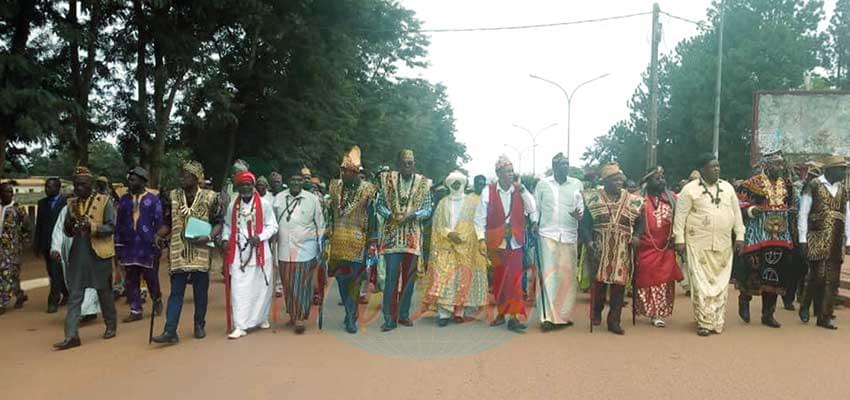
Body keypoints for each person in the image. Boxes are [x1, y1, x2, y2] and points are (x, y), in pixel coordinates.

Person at [673, 154, 745, 337]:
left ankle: (716, 320)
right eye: (713, 166)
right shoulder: (689, 190)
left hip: (723, 244)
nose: (717, 169)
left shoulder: (728, 188)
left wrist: (740, 236)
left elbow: (737, 214)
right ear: (702, 169)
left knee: (721, 284)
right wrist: (679, 239)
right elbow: (680, 217)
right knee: (700, 284)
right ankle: (704, 322)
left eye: (718, 166)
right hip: (697, 244)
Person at [152, 161, 222, 344]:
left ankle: (199, 324)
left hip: (201, 250)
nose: (182, 178)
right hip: (178, 250)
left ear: (197, 178)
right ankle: (170, 330)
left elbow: (218, 222)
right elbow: (168, 222)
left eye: (187, 175)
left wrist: (208, 236)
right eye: (182, 174)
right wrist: (159, 235)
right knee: (176, 292)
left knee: (200, 291)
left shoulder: (211, 197)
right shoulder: (172, 196)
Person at [53, 167, 118, 350]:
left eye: (82, 184)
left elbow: (111, 227)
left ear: (91, 185)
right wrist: (69, 226)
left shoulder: (104, 201)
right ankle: (71, 335)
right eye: (76, 184)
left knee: (104, 292)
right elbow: (67, 231)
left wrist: (93, 227)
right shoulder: (71, 204)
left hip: (99, 253)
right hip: (78, 253)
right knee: (75, 294)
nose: (78, 188)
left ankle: (111, 324)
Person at [474, 155, 537, 333]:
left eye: (512, 171)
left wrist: (523, 188)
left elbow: (532, 208)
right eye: (507, 172)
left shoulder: (519, 190)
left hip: (515, 241)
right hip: (496, 241)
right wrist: (480, 239)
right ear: (499, 174)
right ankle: (502, 314)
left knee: (515, 278)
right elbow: (479, 218)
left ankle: (514, 317)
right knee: (499, 279)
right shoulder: (489, 191)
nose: (511, 174)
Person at [733, 150, 795, 328]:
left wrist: (790, 211)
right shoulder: (751, 184)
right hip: (757, 235)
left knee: (775, 273)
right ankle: (744, 299)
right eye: (776, 164)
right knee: (752, 268)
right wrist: (752, 210)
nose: (779, 167)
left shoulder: (787, 185)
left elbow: (790, 204)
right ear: (766, 165)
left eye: (781, 164)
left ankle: (768, 314)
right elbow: (739, 205)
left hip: (780, 236)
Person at [580, 163, 642, 335]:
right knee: (599, 283)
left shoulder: (632, 200)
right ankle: (596, 312)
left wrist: (637, 235)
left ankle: (614, 320)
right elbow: (584, 224)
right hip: (601, 246)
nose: (619, 183)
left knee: (619, 285)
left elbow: (640, 221)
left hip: (622, 247)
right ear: (605, 181)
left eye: (620, 180)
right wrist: (589, 242)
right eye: (614, 180)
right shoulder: (593, 199)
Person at [376, 149, 433, 332]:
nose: (408, 165)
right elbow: (379, 204)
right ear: (398, 164)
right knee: (391, 279)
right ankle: (389, 318)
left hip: (412, 238)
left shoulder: (423, 183)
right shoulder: (387, 181)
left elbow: (428, 209)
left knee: (409, 279)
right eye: (405, 162)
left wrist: (412, 215)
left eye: (411, 162)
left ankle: (403, 314)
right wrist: (391, 215)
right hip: (392, 237)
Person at [423, 171, 488, 326]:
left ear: (464, 184)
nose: (457, 185)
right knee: (445, 277)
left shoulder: (472, 203)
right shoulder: (443, 203)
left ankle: (459, 311)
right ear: (449, 184)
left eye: (459, 182)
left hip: (466, 246)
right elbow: (438, 225)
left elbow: (477, 223)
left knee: (462, 278)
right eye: (454, 183)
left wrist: (462, 238)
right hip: (445, 245)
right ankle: (444, 313)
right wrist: (449, 234)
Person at [220, 171, 278, 339]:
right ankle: (240, 325)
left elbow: (273, 226)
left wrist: (259, 237)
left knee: (261, 288)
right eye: (242, 185)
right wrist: (225, 239)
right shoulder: (233, 206)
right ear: (238, 188)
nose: (245, 187)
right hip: (239, 253)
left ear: (253, 187)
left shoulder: (265, 204)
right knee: (239, 288)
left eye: (248, 185)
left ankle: (261, 318)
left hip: (260, 252)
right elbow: (227, 227)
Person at [327, 146, 377, 334]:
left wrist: (372, 240)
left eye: (346, 171)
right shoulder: (334, 187)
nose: (343, 174)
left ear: (356, 173)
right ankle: (350, 311)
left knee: (354, 281)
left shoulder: (368, 190)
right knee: (341, 280)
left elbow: (372, 216)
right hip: (338, 242)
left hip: (358, 243)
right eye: (341, 170)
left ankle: (350, 316)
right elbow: (330, 212)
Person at [797, 155, 850, 330]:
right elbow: (803, 213)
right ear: (830, 169)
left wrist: (848, 239)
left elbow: (847, 215)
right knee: (817, 275)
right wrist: (802, 238)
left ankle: (824, 316)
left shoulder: (843, 189)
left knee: (832, 279)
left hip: (836, 238)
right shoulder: (813, 185)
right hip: (817, 236)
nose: (844, 172)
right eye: (841, 169)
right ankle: (805, 305)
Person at [533, 153, 584, 331]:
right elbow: (536, 209)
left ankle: (562, 316)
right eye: (561, 164)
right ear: (553, 167)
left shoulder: (576, 184)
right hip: (547, 234)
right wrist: (534, 222)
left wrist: (579, 215)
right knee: (549, 275)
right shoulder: (543, 185)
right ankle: (547, 317)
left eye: (567, 164)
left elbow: (581, 208)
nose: (565, 167)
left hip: (569, 234)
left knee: (567, 276)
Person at [274, 170, 324, 334]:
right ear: (289, 182)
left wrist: (320, 247)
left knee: (302, 284)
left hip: (305, 250)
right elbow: (272, 223)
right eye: (293, 180)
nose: (295, 183)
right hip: (283, 249)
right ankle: (293, 314)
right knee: (288, 284)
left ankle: (301, 316)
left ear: (303, 182)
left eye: (299, 180)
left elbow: (320, 224)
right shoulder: (279, 198)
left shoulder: (312, 199)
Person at [115, 167, 165, 323]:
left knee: (150, 277)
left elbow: (159, 223)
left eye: (133, 179)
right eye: (129, 179)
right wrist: (118, 244)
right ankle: (135, 309)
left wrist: (158, 242)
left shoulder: (153, 199)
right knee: (131, 278)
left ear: (142, 181)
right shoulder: (124, 199)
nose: (130, 182)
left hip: (148, 245)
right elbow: (119, 223)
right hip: (129, 245)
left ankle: (156, 298)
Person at [634, 166, 682, 327]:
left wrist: (677, 238)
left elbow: (680, 219)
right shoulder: (637, 199)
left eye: (662, 177)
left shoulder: (672, 198)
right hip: (645, 247)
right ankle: (650, 311)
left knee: (664, 281)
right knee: (647, 279)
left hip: (666, 246)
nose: (662, 181)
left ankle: (659, 313)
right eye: (657, 178)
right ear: (648, 182)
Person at [35, 177, 68, 313]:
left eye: (50, 187)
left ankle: (53, 301)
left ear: (58, 187)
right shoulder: (42, 203)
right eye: (46, 186)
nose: (47, 189)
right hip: (46, 243)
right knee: (52, 271)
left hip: (61, 242)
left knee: (56, 272)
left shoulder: (66, 203)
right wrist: (37, 244)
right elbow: (39, 224)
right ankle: (66, 293)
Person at [0, 182, 31, 315]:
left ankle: (2, 303)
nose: (9, 194)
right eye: (6, 192)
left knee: (9, 274)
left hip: (12, 249)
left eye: (10, 192)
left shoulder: (18, 209)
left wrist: (25, 242)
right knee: (6, 275)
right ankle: (19, 295)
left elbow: (27, 227)